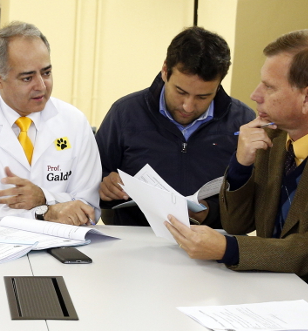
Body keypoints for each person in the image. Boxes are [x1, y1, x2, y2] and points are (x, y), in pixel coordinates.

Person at [165, 29, 308, 300]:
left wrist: (227, 248)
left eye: (269, 87)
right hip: (271, 290)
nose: (255, 95)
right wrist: (240, 166)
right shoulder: (274, 135)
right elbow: (237, 224)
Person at [0, 21, 100, 225]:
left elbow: (89, 208)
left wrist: (43, 198)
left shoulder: (74, 121)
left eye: (46, 73)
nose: (41, 86)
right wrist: (45, 213)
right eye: (27, 78)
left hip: (65, 245)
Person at [95, 27, 253, 226]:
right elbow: (89, 177)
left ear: (219, 84)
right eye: (180, 91)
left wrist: (208, 213)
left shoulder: (243, 122)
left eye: (203, 97)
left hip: (212, 243)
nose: (188, 106)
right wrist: (104, 184)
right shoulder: (125, 112)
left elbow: (251, 206)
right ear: (165, 71)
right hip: (134, 242)